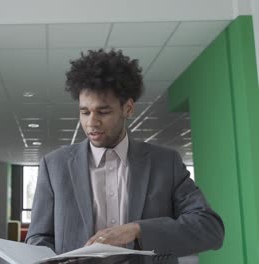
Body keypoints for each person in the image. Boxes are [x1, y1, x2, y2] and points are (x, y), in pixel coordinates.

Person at [25, 49, 224, 264]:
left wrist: (136, 230)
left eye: (103, 112)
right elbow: (38, 238)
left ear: (128, 108)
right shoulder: (55, 166)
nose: (91, 122)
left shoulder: (166, 163)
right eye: (85, 112)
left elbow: (210, 228)